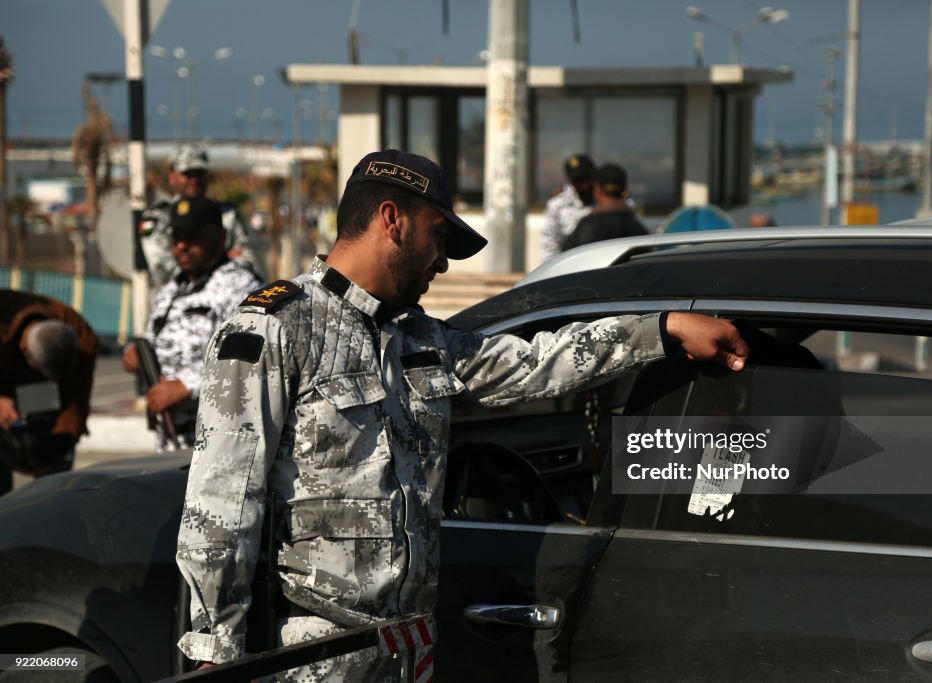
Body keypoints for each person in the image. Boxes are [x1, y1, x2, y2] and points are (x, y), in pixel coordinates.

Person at [175, 149, 748, 680]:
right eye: (438, 237)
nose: (443, 263)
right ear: (391, 219)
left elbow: (536, 362)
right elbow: (222, 502)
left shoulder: (423, 338)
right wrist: (216, 653)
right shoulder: (274, 329)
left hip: (408, 651)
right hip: (311, 656)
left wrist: (664, 330)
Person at [124, 196, 263, 452]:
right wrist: (134, 355)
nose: (182, 246)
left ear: (221, 238)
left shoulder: (242, 287)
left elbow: (252, 359)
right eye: (176, 238)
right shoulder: (172, 290)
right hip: (171, 442)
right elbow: (151, 337)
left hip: (223, 442)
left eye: (193, 237)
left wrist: (188, 386)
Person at [0, 290, 99, 495]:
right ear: (24, 347)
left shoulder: (83, 337)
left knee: (55, 481)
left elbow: (76, 403)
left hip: (51, 402)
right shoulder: (4, 316)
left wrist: (56, 448)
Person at [140, 145, 264, 292]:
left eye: (199, 173)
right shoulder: (157, 218)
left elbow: (250, 261)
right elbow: (163, 269)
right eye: (188, 173)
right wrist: (224, 260)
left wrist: (201, 264)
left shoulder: (228, 214)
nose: (194, 180)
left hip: (228, 300)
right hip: (175, 306)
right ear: (172, 177)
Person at [562, 163, 649, 251]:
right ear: (624, 190)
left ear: (598, 190)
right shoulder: (638, 228)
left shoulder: (586, 228)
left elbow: (568, 258)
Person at [540, 153, 596, 261]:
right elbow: (550, 243)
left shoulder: (606, 199)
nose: (584, 185)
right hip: (570, 265)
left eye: (587, 179)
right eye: (578, 181)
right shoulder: (558, 204)